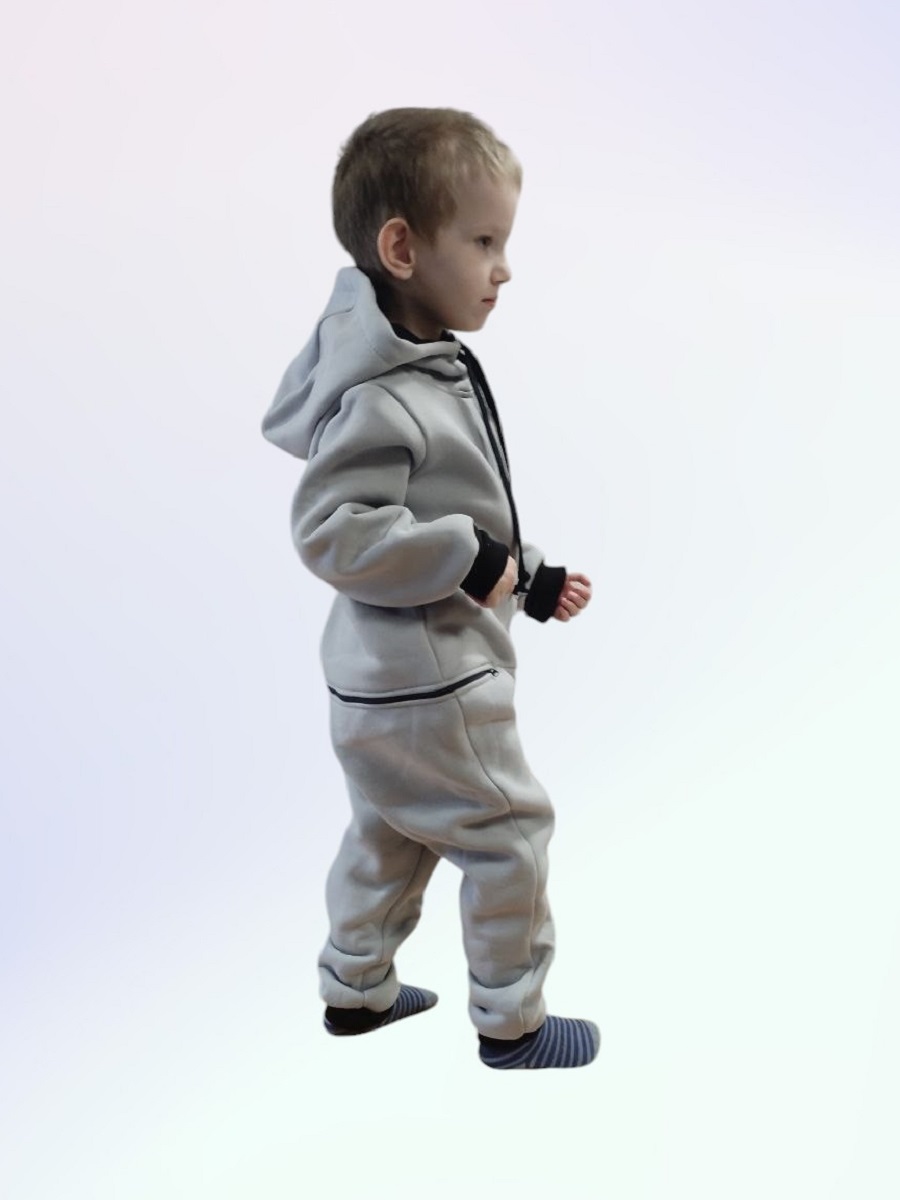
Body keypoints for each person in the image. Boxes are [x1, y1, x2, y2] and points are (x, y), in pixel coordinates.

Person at [262, 107, 599, 1069]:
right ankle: (512, 1022)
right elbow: (333, 531)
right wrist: (471, 559)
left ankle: (356, 991)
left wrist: (528, 576)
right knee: (509, 832)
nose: (503, 267)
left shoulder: (411, 362)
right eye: (484, 242)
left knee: (392, 831)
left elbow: (453, 507)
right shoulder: (383, 394)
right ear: (403, 249)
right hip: (433, 682)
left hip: (378, 681)